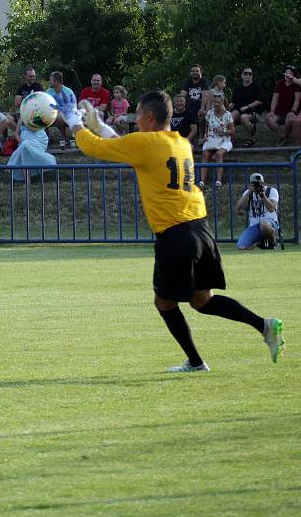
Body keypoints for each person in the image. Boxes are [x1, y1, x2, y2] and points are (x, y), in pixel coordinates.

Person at [56, 92, 285, 372]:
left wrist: (74, 119)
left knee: (164, 302)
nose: (135, 120)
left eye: (137, 115)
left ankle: (197, 363)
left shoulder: (145, 143)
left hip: (175, 234)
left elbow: (94, 148)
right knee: (202, 300)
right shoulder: (179, 142)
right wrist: (100, 125)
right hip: (200, 228)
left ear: (150, 117)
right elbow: (127, 147)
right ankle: (264, 326)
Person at [236, 173, 280, 250]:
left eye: (259, 183)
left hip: (270, 223)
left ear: (263, 183)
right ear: (250, 184)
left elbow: (271, 209)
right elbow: (238, 208)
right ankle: (259, 242)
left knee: (264, 224)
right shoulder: (248, 192)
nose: (257, 186)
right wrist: (249, 192)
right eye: (254, 184)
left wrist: (263, 195)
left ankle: (273, 241)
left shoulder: (272, 191)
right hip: (254, 225)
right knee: (241, 246)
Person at [199, 93, 235, 189]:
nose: (216, 104)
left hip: (225, 140)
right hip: (211, 139)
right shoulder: (209, 113)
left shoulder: (228, 115)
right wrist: (205, 135)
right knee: (205, 154)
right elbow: (207, 127)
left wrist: (222, 131)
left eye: (218, 102)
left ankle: (218, 181)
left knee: (218, 155)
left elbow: (232, 131)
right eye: (214, 102)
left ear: (222, 102)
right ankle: (202, 181)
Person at [7, 118, 56, 182]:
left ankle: (12, 165)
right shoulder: (21, 118)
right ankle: (27, 181)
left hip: (38, 139)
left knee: (24, 146)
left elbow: (33, 128)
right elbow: (16, 133)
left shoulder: (39, 116)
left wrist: (26, 122)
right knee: (24, 147)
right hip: (24, 142)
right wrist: (21, 141)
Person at [265, 65, 301, 146]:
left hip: (291, 111)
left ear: (294, 76)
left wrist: (293, 111)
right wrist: (272, 111)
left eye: (290, 73)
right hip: (280, 111)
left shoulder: (296, 85)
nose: (287, 75)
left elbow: (297, 100)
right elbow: (275, 98)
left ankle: (283, 137)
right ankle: (283, 136)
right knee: (268, 118)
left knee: (290, 119)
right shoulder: (280, 83)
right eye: (286, 73)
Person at [229, 68, 262, 147]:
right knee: (230, 116)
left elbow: (260, 101)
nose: (248, 75)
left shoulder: (256, 87)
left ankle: (251, 138)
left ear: (252, 76)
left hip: (253, 111)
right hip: (239, 109)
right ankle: (232, 138)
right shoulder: (238, 88)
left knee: (244, 117)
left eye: (250, 74)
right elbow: (233, 101)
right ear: (242, 76)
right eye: (246, 73)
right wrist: (231, 104)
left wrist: (247, 106)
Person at [46, 71, 76, 147]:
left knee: (59, 117)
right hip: (51, 114)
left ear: (56, 81)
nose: (49, 82)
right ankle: (46, 139)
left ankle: (64, 138)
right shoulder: (48, 92)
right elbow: (45, 105)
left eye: (51, 80)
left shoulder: (68, 92)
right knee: (41, 117)